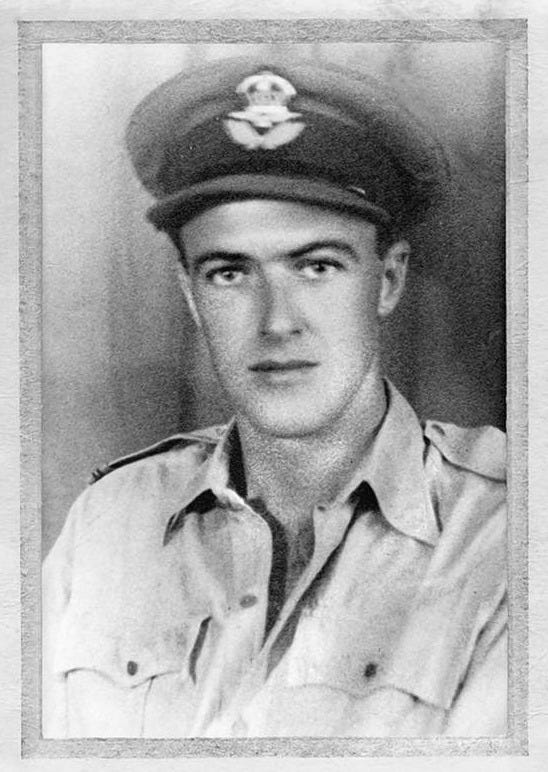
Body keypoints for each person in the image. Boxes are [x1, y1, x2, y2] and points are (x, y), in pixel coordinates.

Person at [42, 55, 507, 738]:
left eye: (317, 266)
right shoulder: (107, 524)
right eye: (230, 273)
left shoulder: (504, 534)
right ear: (190, 295)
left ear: (387, 281)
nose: (277, 321)